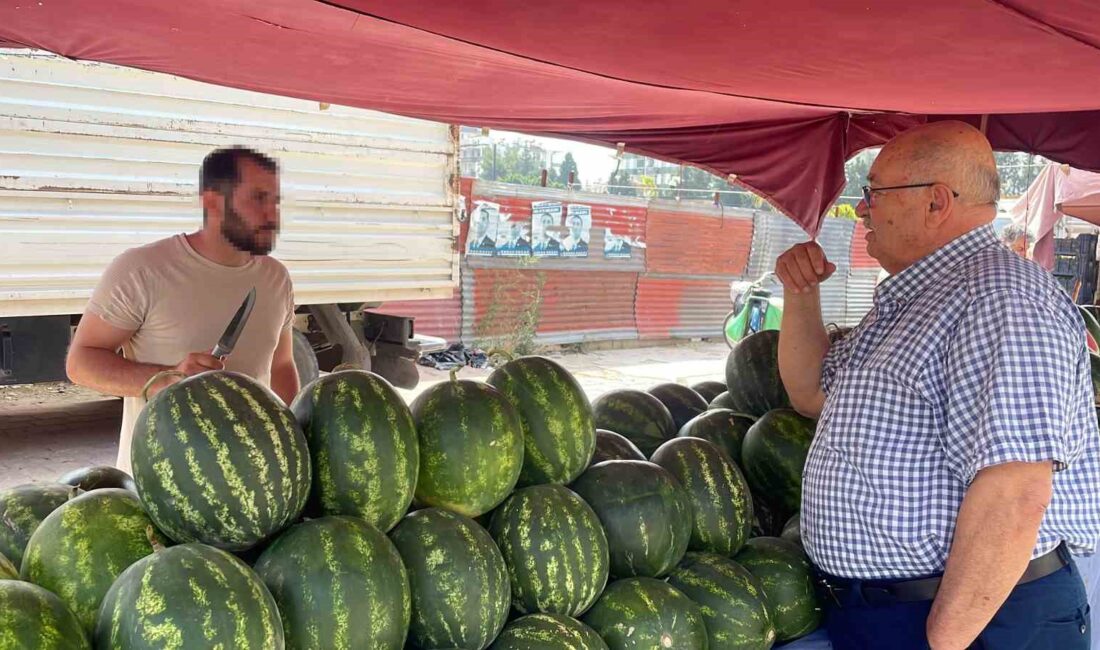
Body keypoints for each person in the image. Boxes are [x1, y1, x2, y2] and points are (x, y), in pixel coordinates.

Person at [775, 121, 1100, 649]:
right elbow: (810, 394)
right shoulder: (917, 299)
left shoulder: (1000, 300)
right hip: (897, 614)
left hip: (969, 623)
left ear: (936, 202)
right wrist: (801, 292)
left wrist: (943, 640)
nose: (862, 209)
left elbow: (1015, 492)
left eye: (874, 192)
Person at [66, 146, 300, 473]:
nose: (272, 215)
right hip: (160, 488)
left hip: (254, 487)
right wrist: (166, 379)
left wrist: (294, 437)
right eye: (258, 198)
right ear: (212, 202)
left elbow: (281, 365)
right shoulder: (141, 270)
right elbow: (81, 362)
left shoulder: (276, 278)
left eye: (275, 201)